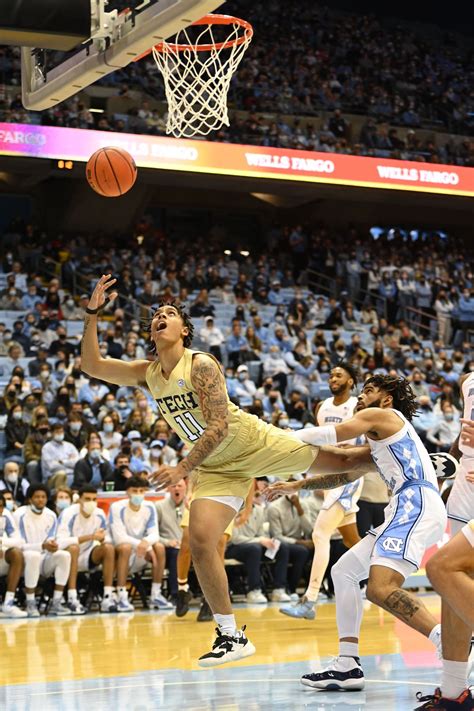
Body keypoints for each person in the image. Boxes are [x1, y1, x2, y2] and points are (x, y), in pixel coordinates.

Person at [79, 276, 358, 667]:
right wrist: (92, 314)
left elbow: (219, 426)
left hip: (251, 444)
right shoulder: (148, 373)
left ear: (184, 330)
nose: (161, 316)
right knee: (201, 538)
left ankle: (410, 459)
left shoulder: (201, 363)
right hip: (213, 465)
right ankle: (231, 634)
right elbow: (91, 365)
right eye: (156, 315)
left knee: (344, 462)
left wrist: (182, 468)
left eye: (170, 313)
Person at [266, 374, 447, 691]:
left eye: (368, 391)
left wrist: (274, 437)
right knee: (344, 571)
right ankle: (347, 665)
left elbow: (328, 433)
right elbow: (344, 467)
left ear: (386, 399)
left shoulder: (384, 416)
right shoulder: (382, 441)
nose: (361, 398)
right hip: (408, 506)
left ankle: (451, 642)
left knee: (380, 588)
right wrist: (296, 485)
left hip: (414, 502)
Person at [280, 363, 363, 619]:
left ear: (351, 381)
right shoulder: (322, 406)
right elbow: (320, 439)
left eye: (339, 375)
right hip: (328, 476)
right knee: (352, 541)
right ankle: (388, 575)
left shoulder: (358, 407)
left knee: (320, 534)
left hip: (348, 476)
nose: (333, 378)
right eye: (331, 375)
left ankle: (309, 599)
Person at [414, 373, 474, 710]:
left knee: (443, 570)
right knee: (453, 588)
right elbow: (463, 437)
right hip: (465, 487)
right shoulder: (468, 380)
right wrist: (443, 471)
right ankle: (455, 695)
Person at [108, 477, 172, 612]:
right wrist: (144, 545)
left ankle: (156, 594)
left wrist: (146, 543)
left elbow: (154, 534)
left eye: (141, 491)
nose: (138, 494)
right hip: (122, 552)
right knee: (125, 547)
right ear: (127, 492)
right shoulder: (117, 507)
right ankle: (121, 595)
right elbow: (119, 538)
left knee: (159, 547)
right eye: (134, 491)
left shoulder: (149, 507)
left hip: (142, 552)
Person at [57, 485, 117, 614]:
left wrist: (102, 539)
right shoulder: (68, 513)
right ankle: (72, 598)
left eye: (94, 499)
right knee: (73, 548)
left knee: (109, 548)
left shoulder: (100, 514)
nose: (91, 503)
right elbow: (60, 542)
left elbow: (108, 538)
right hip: (67, 557)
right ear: (79, 500)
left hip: (87, 555)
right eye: (87, 499)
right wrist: (89, 537)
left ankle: (108, 596)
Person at [14, 483, 72, 617]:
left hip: (44, 558)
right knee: (33, 555)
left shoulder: (51, 515)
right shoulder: (20, 514)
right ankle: (30, 602)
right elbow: (20, 545)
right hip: (23, 560)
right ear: (29, 499)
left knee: (64, 555)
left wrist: (52, 545)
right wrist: (42, 546)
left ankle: (56, 602)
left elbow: (51, 539)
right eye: (37, 497)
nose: (40, 500)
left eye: (43, 497)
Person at [155, 479, 187, 601]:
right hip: (168, 548)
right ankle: (176, 594)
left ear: (185, 488)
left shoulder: (191, 506)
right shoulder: (159, 506)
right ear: (168, 489)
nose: (177, 489)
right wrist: (167, 542)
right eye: (173, 486)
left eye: (180, 486)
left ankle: (207, 596)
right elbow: (152, 533)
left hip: (188, 547)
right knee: (176, 554)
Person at [0, 493, 28, 617]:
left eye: (0, 506)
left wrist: (1, 543)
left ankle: (8, 603)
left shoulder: (6, 515)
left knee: (16, 553)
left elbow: (19, 541)